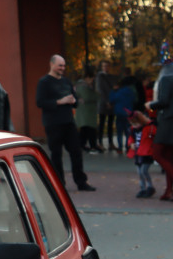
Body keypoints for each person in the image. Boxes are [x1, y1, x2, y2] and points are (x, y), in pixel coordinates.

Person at [35, 55, 94, 191]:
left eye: (64, 66)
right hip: (53, 123)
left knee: (76, 152)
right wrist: (60, 101)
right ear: (51, 64)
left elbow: (74, 99)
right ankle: (59, 184)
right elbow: (40, 102)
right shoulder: (44, 82)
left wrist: (74, 101)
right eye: (60, 65)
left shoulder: (66, 82)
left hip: (69, 122)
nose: (62, 68)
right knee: (56, 154)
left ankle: (81, 182)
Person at [147, 46, 173, 201]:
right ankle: (170, 190)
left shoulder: (165, 80)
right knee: (169, 157)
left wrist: (151, 105)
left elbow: (164, 101)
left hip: (166, 121)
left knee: (157, 154)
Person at [127, 111, 156, 198]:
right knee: (139, 172)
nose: (134, 126)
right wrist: (131, 143)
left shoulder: (150, 127)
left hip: (147, 153)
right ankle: (143, 188)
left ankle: (150, 187)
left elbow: (154, 137)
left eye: (136, 123)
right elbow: (131, 138)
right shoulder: (133, 129)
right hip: (138, 153)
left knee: (144, 171)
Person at [74, 68, 102, 152]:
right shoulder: (83, 86)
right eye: (91, 78)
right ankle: (90, 145)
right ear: (87, 78)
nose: (92, 80)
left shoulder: (83, 86)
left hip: (86, 112)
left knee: (86, 130)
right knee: (88, 129)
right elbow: (88, 97)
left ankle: (83, 145)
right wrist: (96, 95)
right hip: (85, 113)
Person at [94, 59, 118, 150]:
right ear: (102, 67)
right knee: (102, 123)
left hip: (111, 103)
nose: (106, 67)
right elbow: (100, 91)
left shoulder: (112, 77)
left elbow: (115, 89)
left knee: (110, 124)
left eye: (107, 66)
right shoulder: (99, 77)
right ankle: (100, 142)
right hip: (103, 103)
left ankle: (110, 143)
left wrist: (112, 101)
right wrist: (107, 101)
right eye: (104, 66)